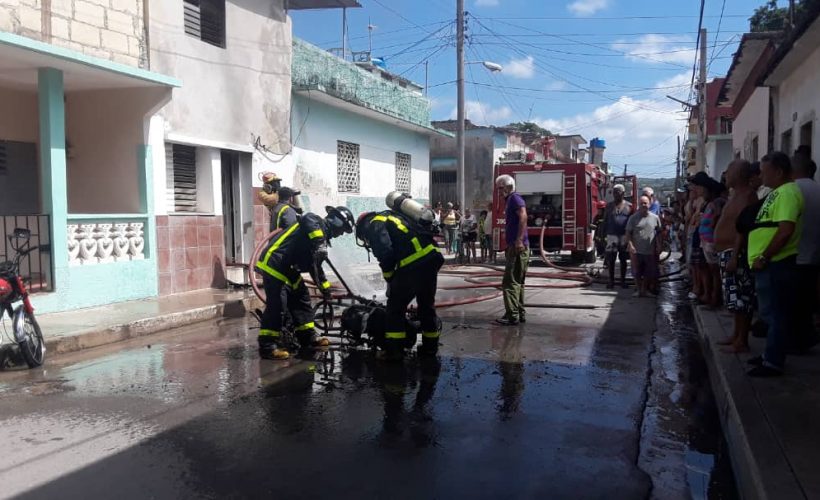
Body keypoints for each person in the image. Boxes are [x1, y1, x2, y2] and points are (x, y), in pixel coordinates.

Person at [255, 205, 355, 360]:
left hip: (289, 268)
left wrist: (326, 290)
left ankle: (308, 338)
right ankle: (267, 347)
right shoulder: (316, 222)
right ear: (338, 221)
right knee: (277, 305)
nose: (340, 234)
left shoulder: (319, 238)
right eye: (343, 229)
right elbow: (308, 217)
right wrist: (319, 241)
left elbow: (315, 267)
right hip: (275, 262)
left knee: (302, 300)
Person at [355, 205, 444, 361]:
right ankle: (430, 348)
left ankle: (394, 352)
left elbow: (385, 253)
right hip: (432, 258)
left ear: (363, 226)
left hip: (413, 263)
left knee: (395, 309)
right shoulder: (395, 217)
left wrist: (390, 278)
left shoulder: (375, 223)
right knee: (426, 305)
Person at [746, 152, 804, 377]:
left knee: (776, 314)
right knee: (769, 312)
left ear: (779, 172)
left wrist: (764, 256)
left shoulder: (788, 193)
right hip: (769, 264)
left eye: (764, 171)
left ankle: (773, 362)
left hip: (776, 263)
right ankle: (769, 354)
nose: (761, 175)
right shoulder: (777, 193)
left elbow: (785, 230)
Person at [714, 160, 759, 353]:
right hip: (726, 253)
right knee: (733, 298)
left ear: (739, 174)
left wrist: (735, 256)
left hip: (736, 254)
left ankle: (742, 340)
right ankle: (735, 334)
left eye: (729, 171)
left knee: (742, 299)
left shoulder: (748, 197)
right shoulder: (735, 195)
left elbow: (744, 228)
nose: (726, 174)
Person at [792, 153, 820, 352]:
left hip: (795, 253)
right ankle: (807, 335)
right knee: (809, 300)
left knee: (795, 303)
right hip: (814, 253)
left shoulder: (793, 190)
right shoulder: (817, 190)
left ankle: (800, 340)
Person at [494, 174, 529, 326]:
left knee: (509, 282)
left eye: (501, 188)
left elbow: (523, 216)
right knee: (518, 282)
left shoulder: (514, 198)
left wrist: (518, 240)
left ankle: (511, 315)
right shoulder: (510, 200)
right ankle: (519, 313)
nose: (499, 192)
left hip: (517, 247)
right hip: (517, 246)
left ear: (509, 187)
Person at [695, 175, 727, 307]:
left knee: (714, 271)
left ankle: (715, 298)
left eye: (704, 190)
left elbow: (719, 215)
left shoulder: (717, 202)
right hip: (706, 241)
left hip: (711, 242)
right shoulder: (710, 203)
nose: (702, 193)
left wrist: (714, 224)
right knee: (710, 270)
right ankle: (711, 296)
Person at [625, 195, 662, 298]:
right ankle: (639, 290)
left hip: (649, 250)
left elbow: (659, 232)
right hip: (636, 250)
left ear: (649, 204)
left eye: (645, 203)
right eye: (641, 203)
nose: (643, 205)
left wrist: (659, 245)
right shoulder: (633, 218)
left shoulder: (655, 218)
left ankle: (644, 290)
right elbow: (628, 233)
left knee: (648, 271)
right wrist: (630, 246)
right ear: (638, 205)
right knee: (636, 271)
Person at [603, 184, 633, 289]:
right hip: (611, 236)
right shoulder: (609, 206)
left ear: (623, 194)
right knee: (611, 260)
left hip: (624, 236)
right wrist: (603, 237)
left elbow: (632, 223)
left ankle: (623, 281)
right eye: (614, 192)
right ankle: (611, 281)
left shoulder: (629, 206)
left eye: (618, 192)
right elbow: (605, 221)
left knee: (623, 259)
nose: (615, 194)